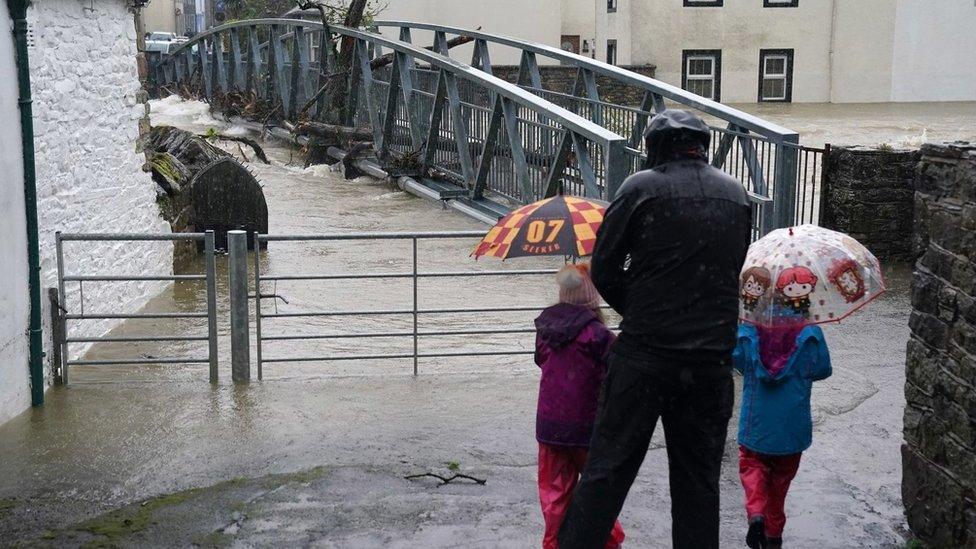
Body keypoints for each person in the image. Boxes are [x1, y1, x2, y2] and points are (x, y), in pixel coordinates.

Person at [558, 110, 752, 549]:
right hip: (710, 363)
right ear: (702, 145)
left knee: (607, 471)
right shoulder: (736, 194)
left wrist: (643, 314)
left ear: (656, 147)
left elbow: (603, 268)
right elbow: (730, 268)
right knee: (698, 482)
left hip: (646, 358)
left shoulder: (640, 188)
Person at [534, 264, 625, 549]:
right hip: (586, 430)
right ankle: (609, 542)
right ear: (592, 297)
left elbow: (540, 360)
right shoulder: (597, 335)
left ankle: (553, 544)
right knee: (598, 492)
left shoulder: (545, 328)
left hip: (549, 427)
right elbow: (614, 370)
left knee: (554, 496)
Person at [733, 318, 832, 549]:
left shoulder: (749, 330)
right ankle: (774, 538)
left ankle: (756, 512)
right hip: (791, 430)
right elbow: (823, 369)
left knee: (752, 466)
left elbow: (735, 361)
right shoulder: (811, 333)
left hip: (756, 426)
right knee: (779, 487)